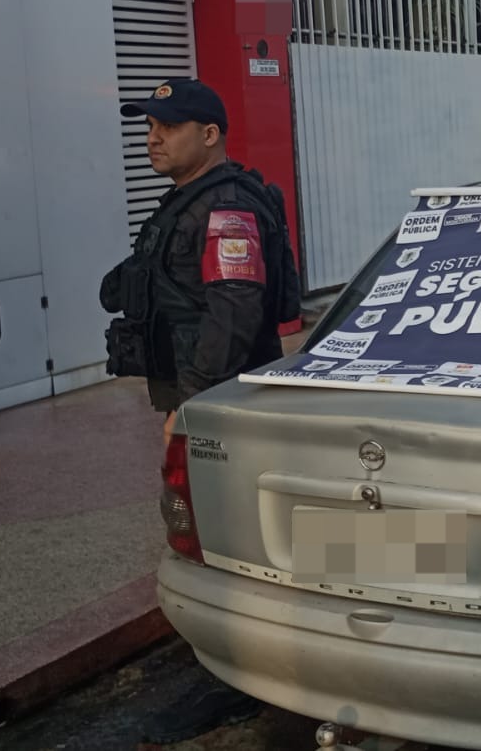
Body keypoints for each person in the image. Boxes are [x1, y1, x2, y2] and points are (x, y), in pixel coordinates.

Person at [100, 78, 300, 743]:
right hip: (198, 395)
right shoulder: (187, 202)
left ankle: (263, 651)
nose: (152, 136)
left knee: (230, 524)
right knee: (214, 521)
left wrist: (191, 409)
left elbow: (235, 311)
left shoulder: (226, 210)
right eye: (148, 124)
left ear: (208, 134)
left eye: (168, 125)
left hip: (218, 404)